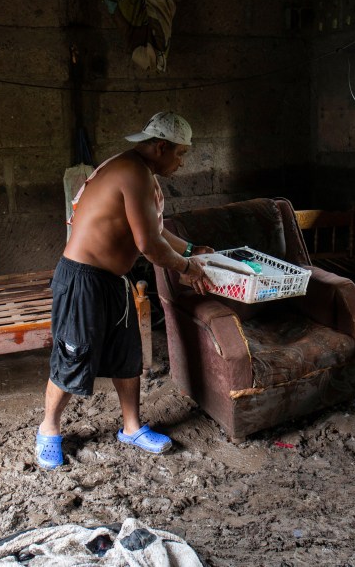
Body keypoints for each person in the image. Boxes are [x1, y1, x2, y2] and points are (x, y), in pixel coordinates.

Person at [35, 112, 213, 469]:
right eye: (180, 154)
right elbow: (148, 245)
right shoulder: (133, 174)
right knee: (73, 356)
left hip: (113, 280)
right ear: (161, 147)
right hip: (83, 280)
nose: (181, 162)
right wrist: (186, 267)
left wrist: (191, 250)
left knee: (126, 355)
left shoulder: (140, 171)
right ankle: (48, 430)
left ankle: (131, 427)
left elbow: (154, 230)